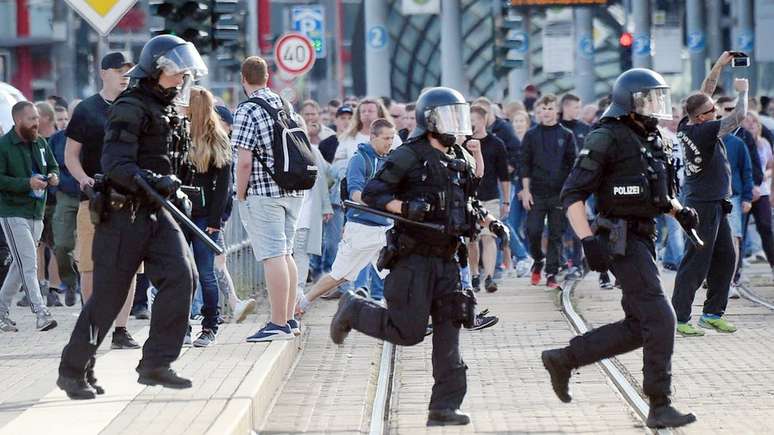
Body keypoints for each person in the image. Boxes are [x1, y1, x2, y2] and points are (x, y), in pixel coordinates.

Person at [330, 87, 509, 426]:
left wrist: (491, 222)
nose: (457, 124)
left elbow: (466, 202)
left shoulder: (460, 157)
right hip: (414, 260)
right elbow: (373, 192)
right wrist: (405, 207)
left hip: (450, 260)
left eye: (460, 116)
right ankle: (354, 309)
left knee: (449, 336)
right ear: (430, 120)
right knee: (408, 332)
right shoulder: (408, 155)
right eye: (449, 116)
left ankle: (444, 407)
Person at [541, 68, 698, 429]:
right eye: (650, 99)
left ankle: (564, 359)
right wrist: (588, 241)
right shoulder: (605, 137)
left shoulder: (653, 137)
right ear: (630, 103)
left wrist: (679, 212)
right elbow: (572, 194)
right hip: (618, 238)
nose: (657, 106)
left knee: (638, 326)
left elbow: (656, 189)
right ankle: (659, 405)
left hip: (643, 236)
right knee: (661, 318)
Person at [58, 35, 205, 399]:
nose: (183, 76)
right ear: (157, 69)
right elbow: (116, 165)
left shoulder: (168, 107)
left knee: (181, 276)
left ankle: (155, 363)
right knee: (107, 298)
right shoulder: (130, 106)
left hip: (156, 211)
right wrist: (157, 181)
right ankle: (73, 370)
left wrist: (177, 188)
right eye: (176, 70)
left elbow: (169, 161)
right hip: (123, 215)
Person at [64, 52, 143, 346]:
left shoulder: (136, 106)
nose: (125, 75)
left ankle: (121, 330)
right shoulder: (86, 109)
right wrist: (83, 178)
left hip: (129, 199)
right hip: (93, 198)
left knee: (129, 265)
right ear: (103, 73)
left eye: (128, 70)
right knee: (90, 264)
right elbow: (71, 156)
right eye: (119, 70)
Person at [671, 52, 747, 337]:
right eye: (713, 109)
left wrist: (719, 64)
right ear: (703, 117)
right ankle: (679, 318)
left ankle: (713, 313)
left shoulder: (688, 124)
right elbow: (739, 116)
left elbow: (704, 91)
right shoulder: (705, 132)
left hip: (715, 202)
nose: (717, 110)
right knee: (696, 261)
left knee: (726, 257)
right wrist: (743, 92)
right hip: (701, 205)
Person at [233, 56, 304, 342]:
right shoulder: (285, 105)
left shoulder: (248, 109)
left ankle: (276, 323)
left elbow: (244, 161)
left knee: (272, 255)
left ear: (243, 79)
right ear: (267, 78)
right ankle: (288, 320)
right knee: (286, 253)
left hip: (264, 192)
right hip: (293, 190)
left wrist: (240, 193)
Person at [298, 118, 395, 310]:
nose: (390, 142)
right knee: (339, 276)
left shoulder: (389, 160)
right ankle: (302, 303)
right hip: (362, 229)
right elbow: (355, 194)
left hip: (385, 229)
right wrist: (382, 203)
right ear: (373, 137)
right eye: (385, 138)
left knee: (397, 274)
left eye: (392, 138)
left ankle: (399, 319)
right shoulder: (360, 159)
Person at [0, 101, 59, 332]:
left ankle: (1, 311)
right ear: (17, 121)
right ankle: (41, 312)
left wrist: (53, 176)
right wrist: (27, 183)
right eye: (31, 119)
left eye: (37, 118)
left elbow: (53, 166)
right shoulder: (4, 146)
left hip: (36, 211)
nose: (37, 123)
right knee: (29, 264)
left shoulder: (41, 143)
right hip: (12, 212)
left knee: (20, 264)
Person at [186, 87, 233, 348]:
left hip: (198, 216)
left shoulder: (216, 139)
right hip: (189, 214)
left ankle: (208, 325)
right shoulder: (181, 135)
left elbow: (223, 185)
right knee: (198, 274)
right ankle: (201, 327)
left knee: (202, 274)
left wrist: (216, 221)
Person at [520, 94, 577, 288]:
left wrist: (571, 192)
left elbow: (573, 165)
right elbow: (525, 165)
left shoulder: (566, 135)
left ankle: (551, 273)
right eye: (543, 109)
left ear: (557, 111)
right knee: (532, 230)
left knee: (556, 233)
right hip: (536, 191)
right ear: (538, 111)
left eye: (550, 108)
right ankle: (538, 259)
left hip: (559, 193)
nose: (547, 112)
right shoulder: (531, 135)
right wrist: (526, 191)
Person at [466, 105, 509, 292]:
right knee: (471, 240)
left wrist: (506, 201)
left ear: (483, 120)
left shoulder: (497, 144)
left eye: (473, 120)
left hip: (490, 197)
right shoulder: (462, 143)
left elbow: (504, 176)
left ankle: (489, 276)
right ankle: (474, 274)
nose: (470, 124)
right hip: (468, 198)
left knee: (488, 236)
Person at [49, 102, 80, 306]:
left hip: (90, 196)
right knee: (61, 245)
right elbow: (49, 166)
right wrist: (55, 187)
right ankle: (69, 282)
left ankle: (87, 288)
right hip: (65, 196)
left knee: (91, 249)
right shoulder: (57, 140)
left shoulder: (94, 135)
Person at [740, 111, 774, 277]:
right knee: (741, 232)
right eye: (748, 121)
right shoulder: (740, 142)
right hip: (744, 191)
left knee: (766, 227)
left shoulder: (764, 143)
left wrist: (766, 178)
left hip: (763, 191)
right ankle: (736, 272)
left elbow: (770, 166)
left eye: (754, 121)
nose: (751, 124)